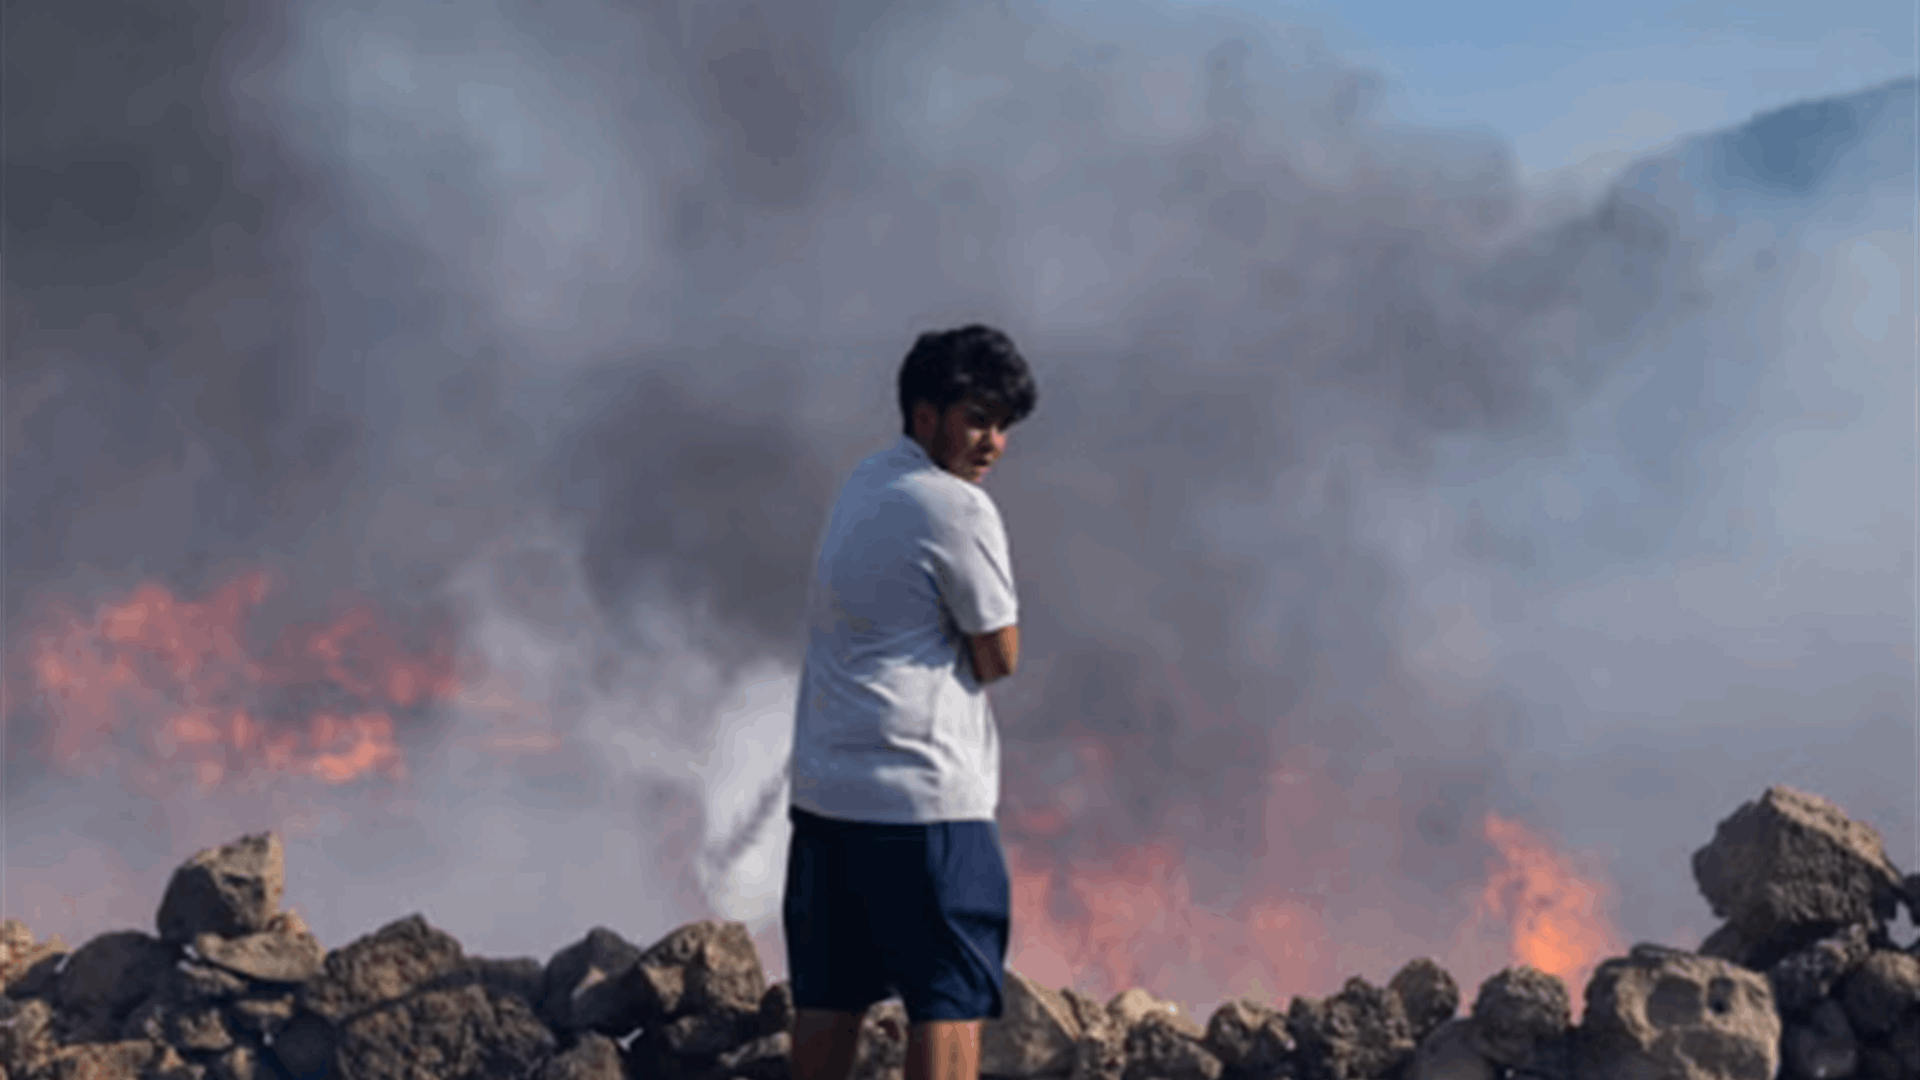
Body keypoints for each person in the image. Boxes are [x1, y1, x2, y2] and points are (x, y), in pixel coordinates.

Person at [785, 324, 1039, 1080]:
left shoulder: (863, 483)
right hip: (925, 808)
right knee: (946, 1003)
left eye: (1003, 425)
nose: (992, 442)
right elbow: (999, 655)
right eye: (976, 419)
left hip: (827, 799)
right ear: (924, 414)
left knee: (829, 1002)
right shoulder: (955, 506)